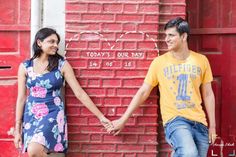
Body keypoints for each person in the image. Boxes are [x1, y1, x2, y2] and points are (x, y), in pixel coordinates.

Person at [108, 17, 216, 157]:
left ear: (184, 36)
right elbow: (144, 91)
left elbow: (208, 94)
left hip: (200, 122)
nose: (166, 39)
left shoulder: (201, 60)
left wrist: (212, 127)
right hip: (175, 120)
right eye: (166, 35)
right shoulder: (159, 63)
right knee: (189, 153)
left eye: (171, 35)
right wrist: (123, 119)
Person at [14, 27, 113, 157]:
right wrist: (17, 129)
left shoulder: (62, 65)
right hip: (31, 115)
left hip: (53, 113)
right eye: (51, 42)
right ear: (39, 42)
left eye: (57, 42)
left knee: (34, 150)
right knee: (36, 152)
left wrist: (101, 117)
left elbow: (79, 93)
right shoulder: (25, 67)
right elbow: (21, 98)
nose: (56, 46)